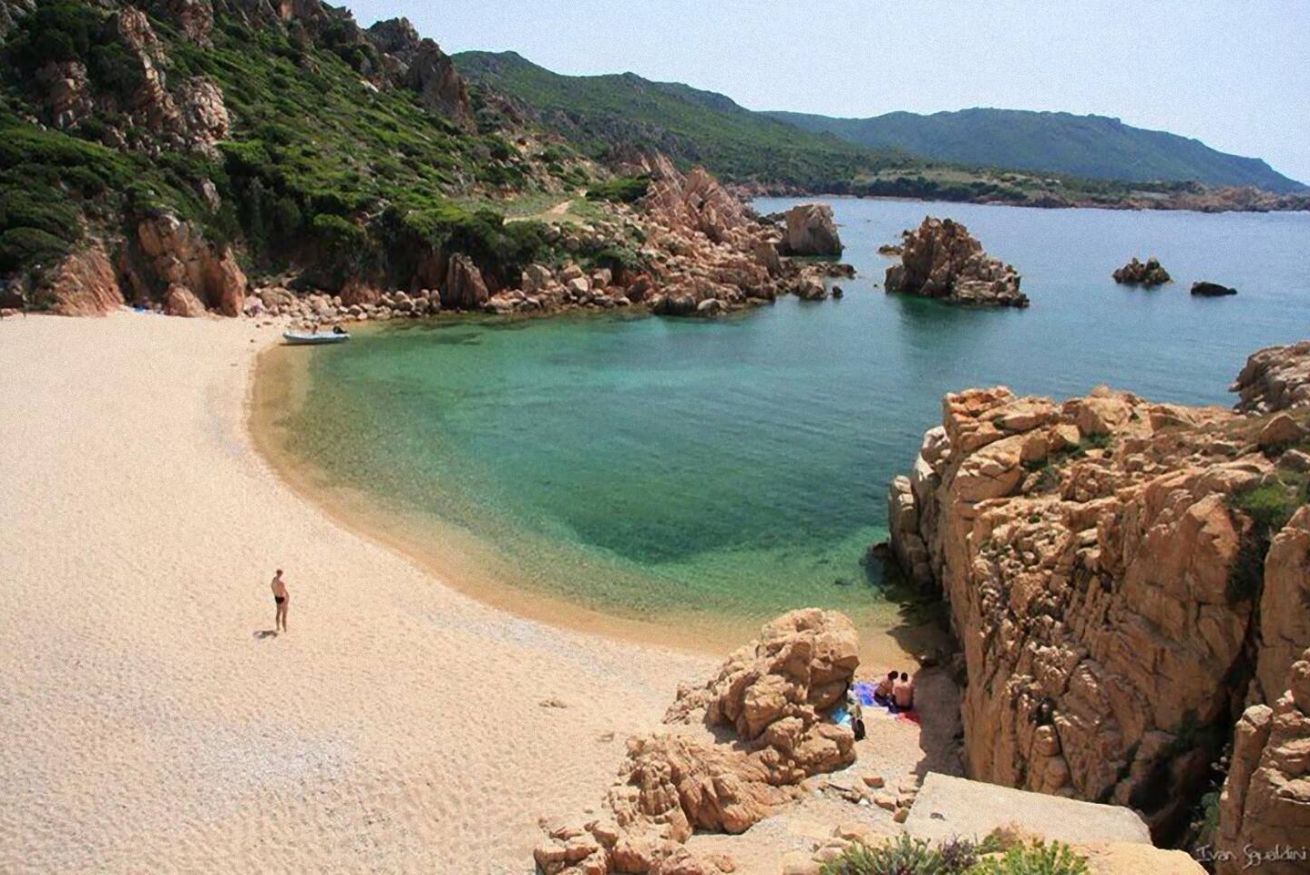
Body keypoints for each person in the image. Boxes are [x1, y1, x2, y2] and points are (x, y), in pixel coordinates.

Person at [271, 569, 289, 634]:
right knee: (284, 614)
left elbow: (272, 588)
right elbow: (284, 591)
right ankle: (285, 628)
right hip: (282, 598)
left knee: (278, 613)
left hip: (277, 597)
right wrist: (287, 598)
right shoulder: (281, 583)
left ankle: (278, 626)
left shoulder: (273, 580)